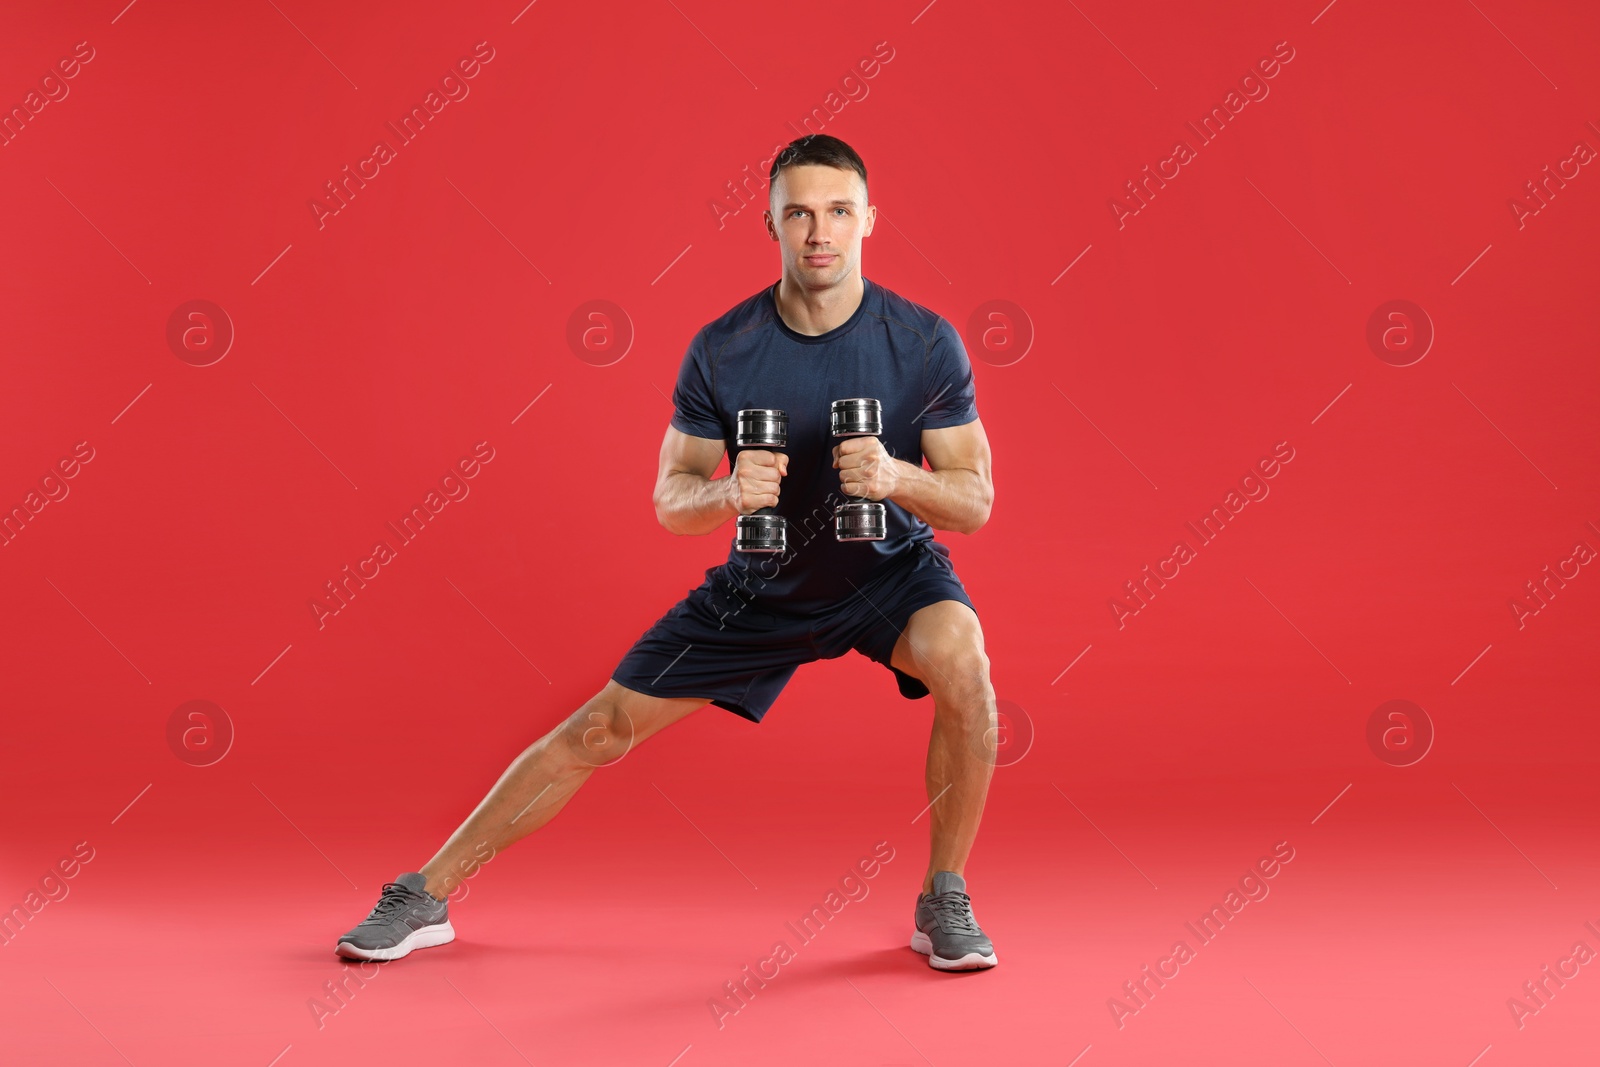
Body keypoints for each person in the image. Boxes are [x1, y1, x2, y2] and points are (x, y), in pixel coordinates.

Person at [335, 134, 1001, 971]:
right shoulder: (723, 348)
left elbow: (974, 499)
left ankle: (945, 895)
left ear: (870, 220)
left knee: (965, 665)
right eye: (798, 213)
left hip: (888, 575)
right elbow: (670, 499)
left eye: (837, 212)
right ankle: (422, 894)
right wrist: (726, 492)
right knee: (602, 727)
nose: (819, 232)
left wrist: (898, 474)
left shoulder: (925, 342)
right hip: (762, 586)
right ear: (770, 224)